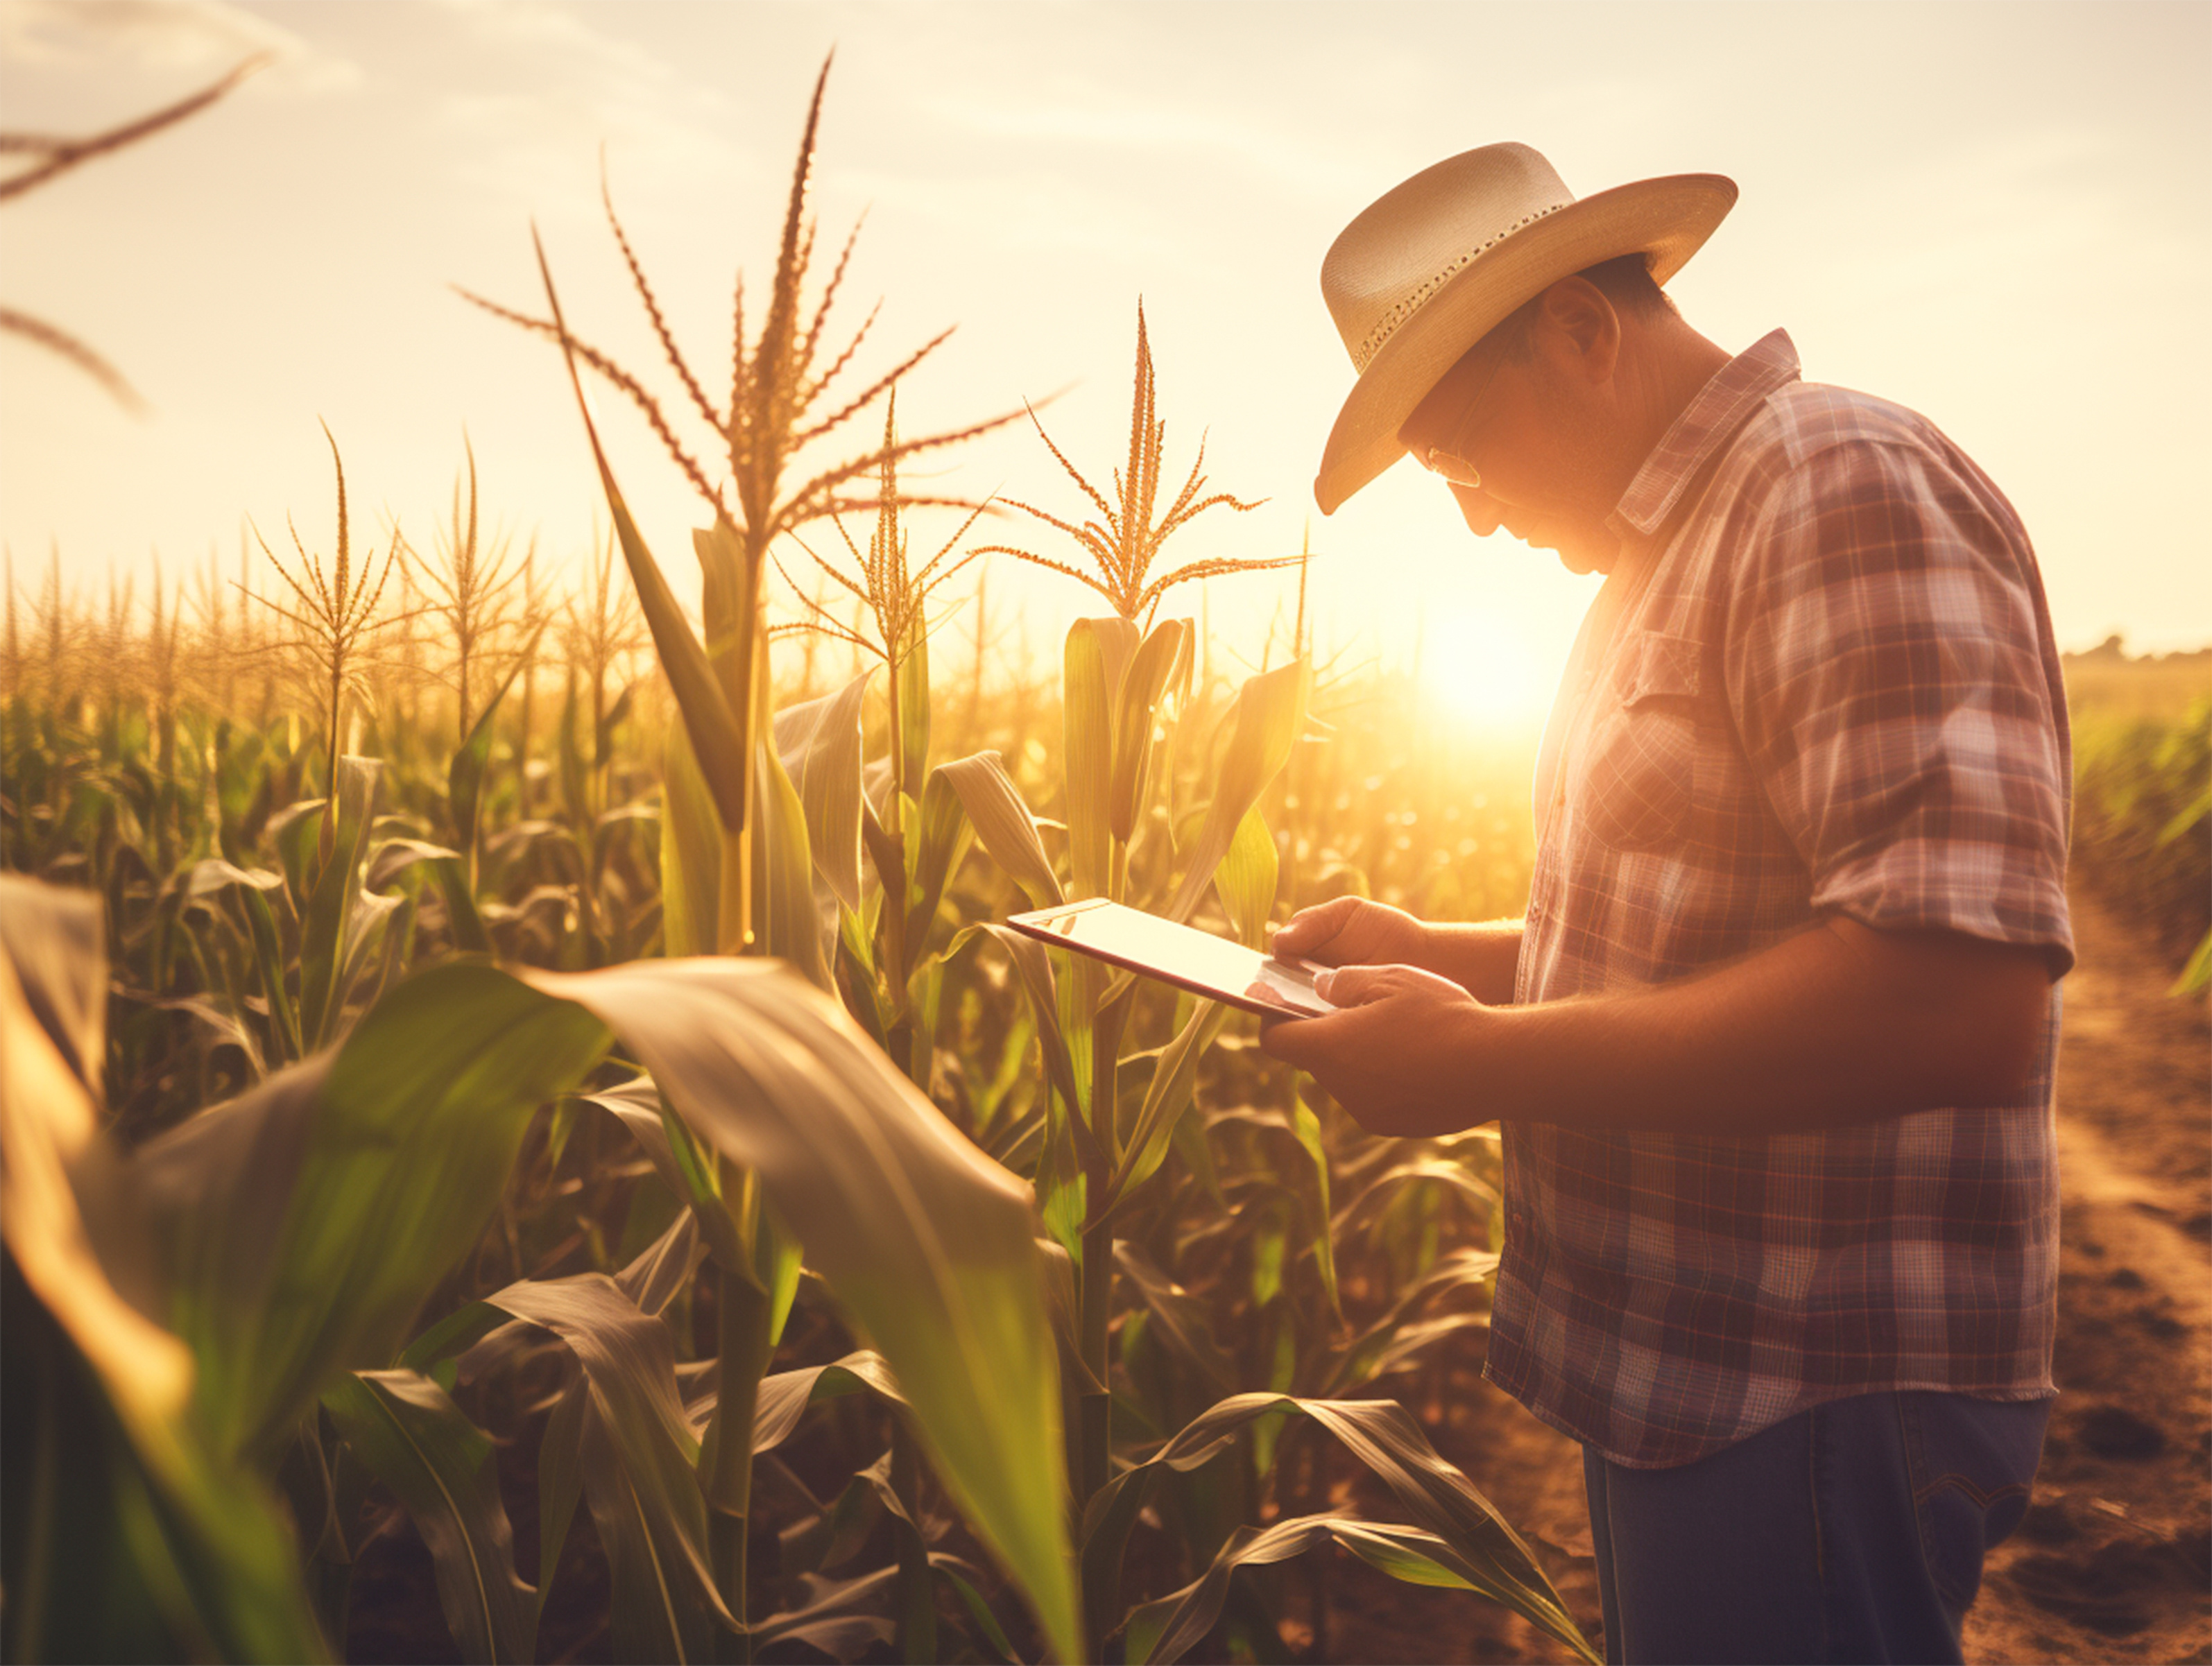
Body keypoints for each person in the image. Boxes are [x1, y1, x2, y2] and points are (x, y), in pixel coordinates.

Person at [1262, 142, 2073, 1665]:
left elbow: (1949, 992)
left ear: (1581, 332)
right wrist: (1443, 962)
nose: (1474, 519)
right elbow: (1710, 938)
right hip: (1701, 1369)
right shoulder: (1667, 559)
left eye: (1462, 453)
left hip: (1808, 1380)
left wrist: (1478, 1062)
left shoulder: (1832, 488)